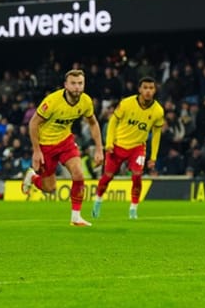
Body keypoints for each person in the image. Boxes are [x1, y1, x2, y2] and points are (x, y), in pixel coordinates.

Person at [22, 69, 104, 226]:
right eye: (73, 83)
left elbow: (93, 123)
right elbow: (33, 123)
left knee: (79, 174)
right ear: (66, 85)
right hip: (45, 145)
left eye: (80, 83)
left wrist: (99, 148)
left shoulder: (86, 101)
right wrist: (37, 151)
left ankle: (76, 217)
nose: (77, 87)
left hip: (65, 142)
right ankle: (33, 177)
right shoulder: (52, 101)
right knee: (49, 188)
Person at [92, 77, 164, 220]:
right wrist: (109, 143)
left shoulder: (158, 111)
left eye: (151, 88)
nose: (148, 91)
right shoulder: (126, 103)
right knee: (108, 177)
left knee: (137, 175)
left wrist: (153, 156)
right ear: (139, 89)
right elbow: (113, 121)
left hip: (138, 147)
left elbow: (156, 134)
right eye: (145, 88)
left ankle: (133, 209)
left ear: (155, 90)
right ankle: (98, 201)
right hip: (118, 145)